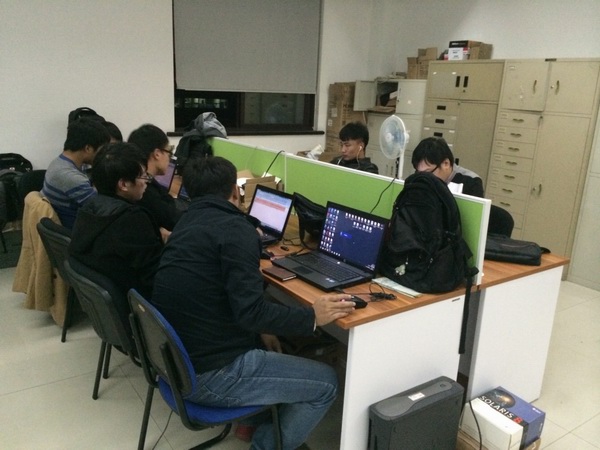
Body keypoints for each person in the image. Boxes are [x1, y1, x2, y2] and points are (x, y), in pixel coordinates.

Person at [151, 156, 357, 450]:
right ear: (235, 192)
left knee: (267, 341)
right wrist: (312, 315)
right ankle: (266, 444)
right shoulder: (236, 230)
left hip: (177, 363)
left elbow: (228, 298)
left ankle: (255, 423)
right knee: (326, 383)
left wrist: (263, 328)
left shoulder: (185, 222)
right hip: (209, 375)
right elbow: (251, 313)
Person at [69, 142, 164, 304]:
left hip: (113, 302)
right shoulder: (132, 219)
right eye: (143, 176)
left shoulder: (90, 207)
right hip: (140, 304)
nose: (146, 181)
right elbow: (155, 277)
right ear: (123, 184)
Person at [42, 118, 111, 229]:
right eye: (101, 151)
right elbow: (103, 209)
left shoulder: (58, 163)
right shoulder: (70, 177)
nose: (103, 155)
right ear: (88, 148)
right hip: (79, 231)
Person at [127, 124, 182, 231]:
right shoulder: (144, 190)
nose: (170, 158)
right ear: (157, 154)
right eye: (169, 152)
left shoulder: (139, 180)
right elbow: (173, 219)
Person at [411, 137, 484, 197]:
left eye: (427, 173)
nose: (423, 178)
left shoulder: (472, 182)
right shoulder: (419, 179)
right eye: (418, 172)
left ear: (446, 164)